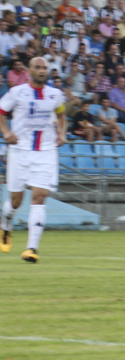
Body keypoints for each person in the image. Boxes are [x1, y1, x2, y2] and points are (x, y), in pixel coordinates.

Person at [0, 58, 67, 261]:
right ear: (29, 71)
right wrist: (6, 132)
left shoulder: (55, 94)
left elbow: (61, 115)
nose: (41, 70)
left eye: (44, 67)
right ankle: (5, 224)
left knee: (39, 197)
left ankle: (31, 249)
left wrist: (62, 133)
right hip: (19, 151)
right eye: (37, 67)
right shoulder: (17, 92)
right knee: (15, 201)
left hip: (46, 152)